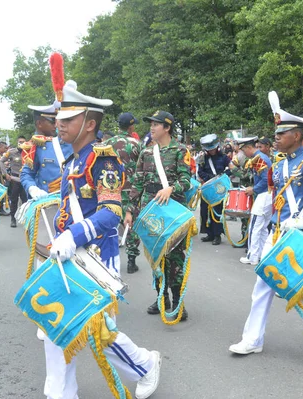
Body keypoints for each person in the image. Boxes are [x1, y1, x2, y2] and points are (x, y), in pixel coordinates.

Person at [46, 80, 162, 399]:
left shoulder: (103, 159)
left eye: (68, 119)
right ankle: (60, 391)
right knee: (58, 328)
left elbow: (111, 210)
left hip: (97, 254)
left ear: (89, 123)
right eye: (60, 118)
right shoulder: (73, 160)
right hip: (71, 254)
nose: (60, 123)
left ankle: (145, 366)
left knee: (100, 332)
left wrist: (73, 234)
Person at [229, 109, 303, 355]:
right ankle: (253, 339)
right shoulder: (276, 165)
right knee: (263, 283)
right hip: (277, 233)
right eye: (276, 133)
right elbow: (276, 198)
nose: (275, 137)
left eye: (282, 133)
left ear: (297, 135)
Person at [126, 110, 192, 320]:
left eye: (156, 124)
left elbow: (186, 180)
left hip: (171, 209)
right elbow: (137, 182)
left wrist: (171, 189)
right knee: (156, 256)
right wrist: (129, 210)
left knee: (175, 257)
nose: (152, 128)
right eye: (151, 124)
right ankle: (161, 298)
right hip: (150, 209)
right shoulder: (146, 152)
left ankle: (178, 301)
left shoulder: (180, 151)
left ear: (167, 127)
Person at [104, 112, 143, 274]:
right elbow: (142, 168)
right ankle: (131, 261)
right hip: (131, 190)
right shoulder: (136, 144)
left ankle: (107, 259)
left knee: (110, 223)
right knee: (132, 224)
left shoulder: (106, 144)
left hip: (111, 189)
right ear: (131, 126)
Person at [20, 103, 73, 201]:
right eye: (53, 121)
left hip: (72, 199)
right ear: (39, 123)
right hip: (47, 200)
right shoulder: (36, 146)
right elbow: (26, 173)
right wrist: (33, 189)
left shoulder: (70, 142)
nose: (56, 125)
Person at [236, 137, 271, 266]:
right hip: (268, 195)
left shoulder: (258, 159)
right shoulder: (262, 157)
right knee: (262, 228)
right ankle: (263, 254)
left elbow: (266, 180)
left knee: (255, 227)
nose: (244, 154)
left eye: (244, 150)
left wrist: (253, 189)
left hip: (264, 194)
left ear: (248, 148)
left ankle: (252, 256)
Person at [198, 133, 231, 245]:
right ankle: (209, 233)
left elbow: (231, 169)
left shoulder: (224, 157)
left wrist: (222, 176)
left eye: (213, 149)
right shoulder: (203, 158)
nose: (211, 151)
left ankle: (217, 235)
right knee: (205, 210)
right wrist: (208, 178)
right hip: (207, 188)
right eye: (209, 149)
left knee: (217, 211)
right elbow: (200, 171)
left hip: (219, 188)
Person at [0, 136, 28, 227]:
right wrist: (5, 174)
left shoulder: (29, 152)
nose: (21, 143)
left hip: (25, 179)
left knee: (26, 201)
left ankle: (26, 219)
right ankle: (13, 219)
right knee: (14, 200)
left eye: (23, 142)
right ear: (17, 142)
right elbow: (1, 161)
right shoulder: (11, 152)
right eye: (20, 142)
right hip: (14, 179)